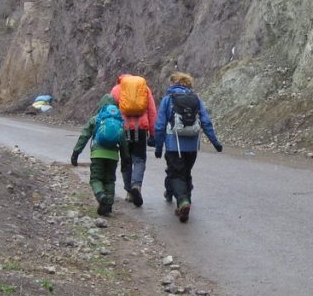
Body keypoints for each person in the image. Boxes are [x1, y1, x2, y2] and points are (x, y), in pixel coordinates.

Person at [152, 72, 222, 222]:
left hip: (174, 145)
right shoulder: (196, 99)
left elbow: (159, 125)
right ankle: (185, 204)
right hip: (192, 146)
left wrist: (158, 147)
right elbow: (206, 122)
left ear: (173, 83)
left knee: (177, 174)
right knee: (186, 173)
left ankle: (183, 201)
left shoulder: (168, 99)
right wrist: (215, 143)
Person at [71, 93, 124, 216]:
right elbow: (123, 142)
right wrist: (125, 158)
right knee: (110, 180)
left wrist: (76, 153)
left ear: (101, 104)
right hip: (113, 156)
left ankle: (101, 196)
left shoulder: (96, 119)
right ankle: (108, 204)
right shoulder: (119, 121)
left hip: (97, 154)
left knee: (96, 178)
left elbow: (84, 136)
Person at [111, 73, 158, 207]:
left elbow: (111, 111)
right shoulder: (145, 89)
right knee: (139, 159)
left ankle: (129, 191)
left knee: (126, 159)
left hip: (123, 129)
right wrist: (153, 134)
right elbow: (152, 111)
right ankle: (136, 185)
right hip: (141, 129)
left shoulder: (116, 89)